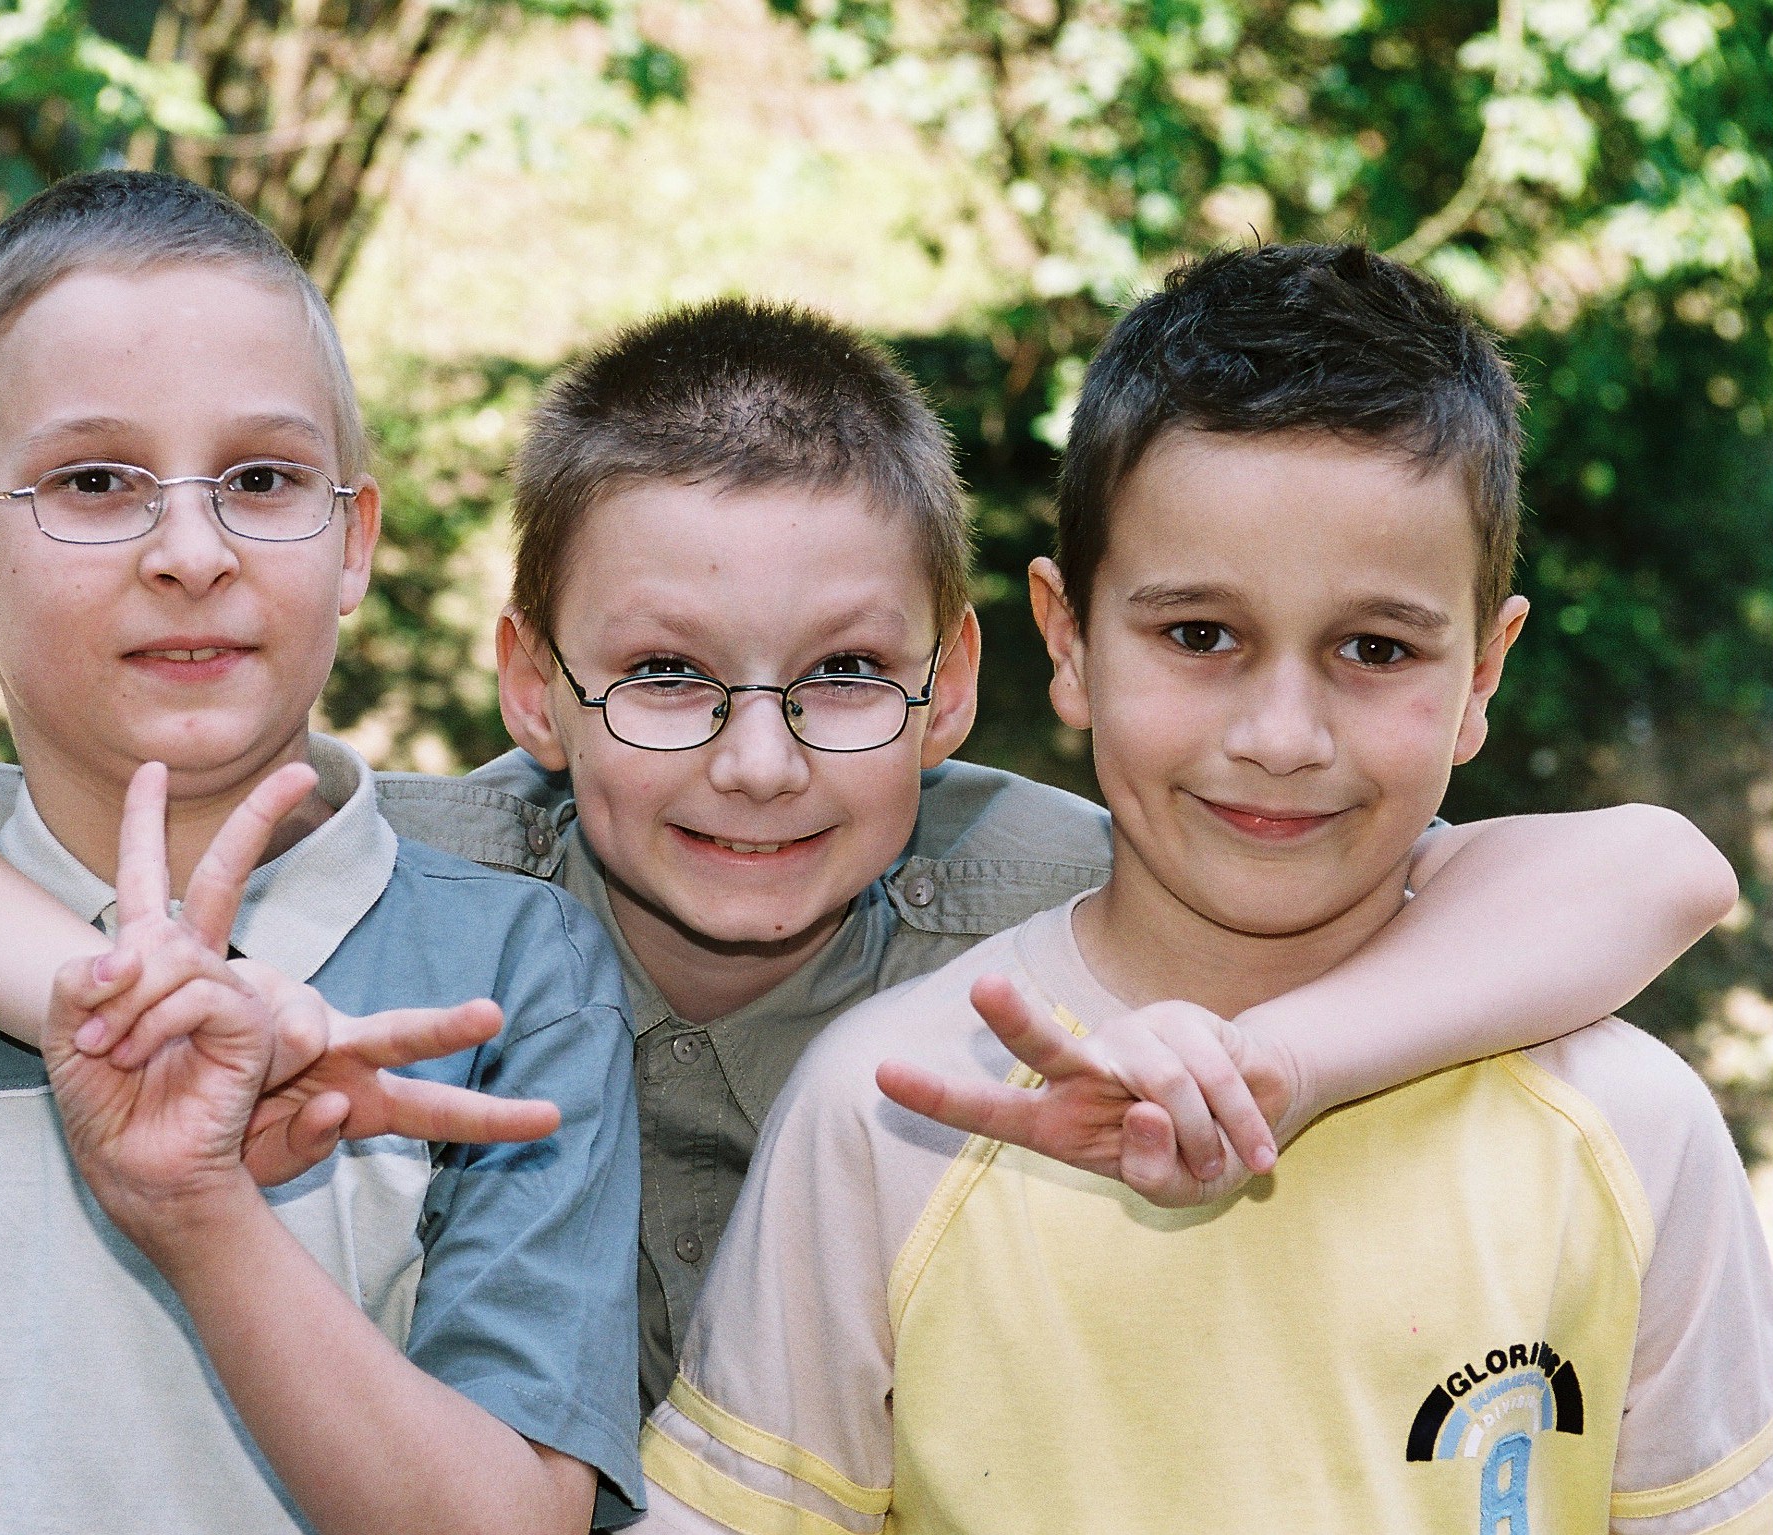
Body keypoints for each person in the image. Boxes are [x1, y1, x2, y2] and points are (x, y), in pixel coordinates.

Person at [0, 297, 1738, 1413]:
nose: (759, 766)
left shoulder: (1052, 895)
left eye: (842, 677)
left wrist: (1283, 1061)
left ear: (952, 683)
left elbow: (1647, 870)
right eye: (664, 675)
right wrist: (96, 995)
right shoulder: (413, 887)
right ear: (532, 686)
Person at [638, 243, 1773, 1534]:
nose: (1282, 736)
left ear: (1482, 675)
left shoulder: (1630, 1130)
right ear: (1068, 640)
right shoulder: (898, 1109)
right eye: (1199, 635)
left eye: (1374, 649)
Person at [0, 170, 643, 1535]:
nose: (191, 552)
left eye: (262, 479)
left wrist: (198, 1214)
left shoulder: (508, 983)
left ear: (353, 540)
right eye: (93, 482)